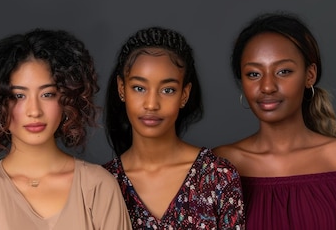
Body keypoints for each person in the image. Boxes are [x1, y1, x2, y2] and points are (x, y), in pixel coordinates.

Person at [0, 28, 131, 230]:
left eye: (47, 94)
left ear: (67, 98)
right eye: (18, 96)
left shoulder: (98, 188)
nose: (34, 111)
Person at [213, 12, 336, 229]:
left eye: (283, 71)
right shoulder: (221, 165)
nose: (267, 86)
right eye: (254, 74)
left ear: (309, 75)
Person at [103, 26, 245, 229]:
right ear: (121, 89)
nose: (151, 104)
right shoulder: (101, 184)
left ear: (184, 95)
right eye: (139, 88)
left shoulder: (218, 177)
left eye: (168, 90)